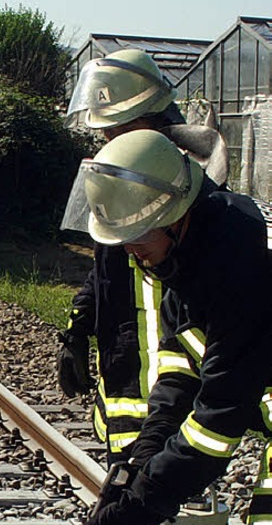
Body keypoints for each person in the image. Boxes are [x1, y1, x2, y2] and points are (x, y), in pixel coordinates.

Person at [73, 129, 272, 525]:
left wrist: (147, 502)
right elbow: (181, 375)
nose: (130, 252)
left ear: (174, 216)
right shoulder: (183, 259)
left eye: (138, 238)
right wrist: (136, 463)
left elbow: (217, 423)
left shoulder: (239, 263)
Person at [59, 49, 229, 463]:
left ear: (143, 117)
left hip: (169, 372)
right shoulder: (126, 168)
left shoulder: (181, 179)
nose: (106, 141)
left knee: (160, 477)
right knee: (129, 478)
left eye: (112, 130)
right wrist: (78, 327)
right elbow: (104, 262)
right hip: (127, 360)